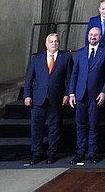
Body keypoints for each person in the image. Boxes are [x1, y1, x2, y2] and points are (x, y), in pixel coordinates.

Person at [24, 33, 73, 164]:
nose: (54, 44)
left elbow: (69, 78)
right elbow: (29, 78)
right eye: (51, 41)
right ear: (46, 44)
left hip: (56, 98)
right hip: (38, 98)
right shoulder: (37, 58)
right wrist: (27, 95)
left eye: (56, 41)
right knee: (36, 128)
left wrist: (67, 94)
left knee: (55, 128)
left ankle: (52, 153)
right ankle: (37, 153)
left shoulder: (66, 57)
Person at [68, 27, 105, 164]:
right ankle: (80, 152)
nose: (93, 37)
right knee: (80, 125)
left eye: (96, 35)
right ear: (87, 36)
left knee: (93, 125)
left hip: (96, 95)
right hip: (80, 95)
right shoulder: (80, 52)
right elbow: (74, 74)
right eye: (91, 35)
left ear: (100, 37)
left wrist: (104, 92)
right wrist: (71, 93)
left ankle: (92, 153)